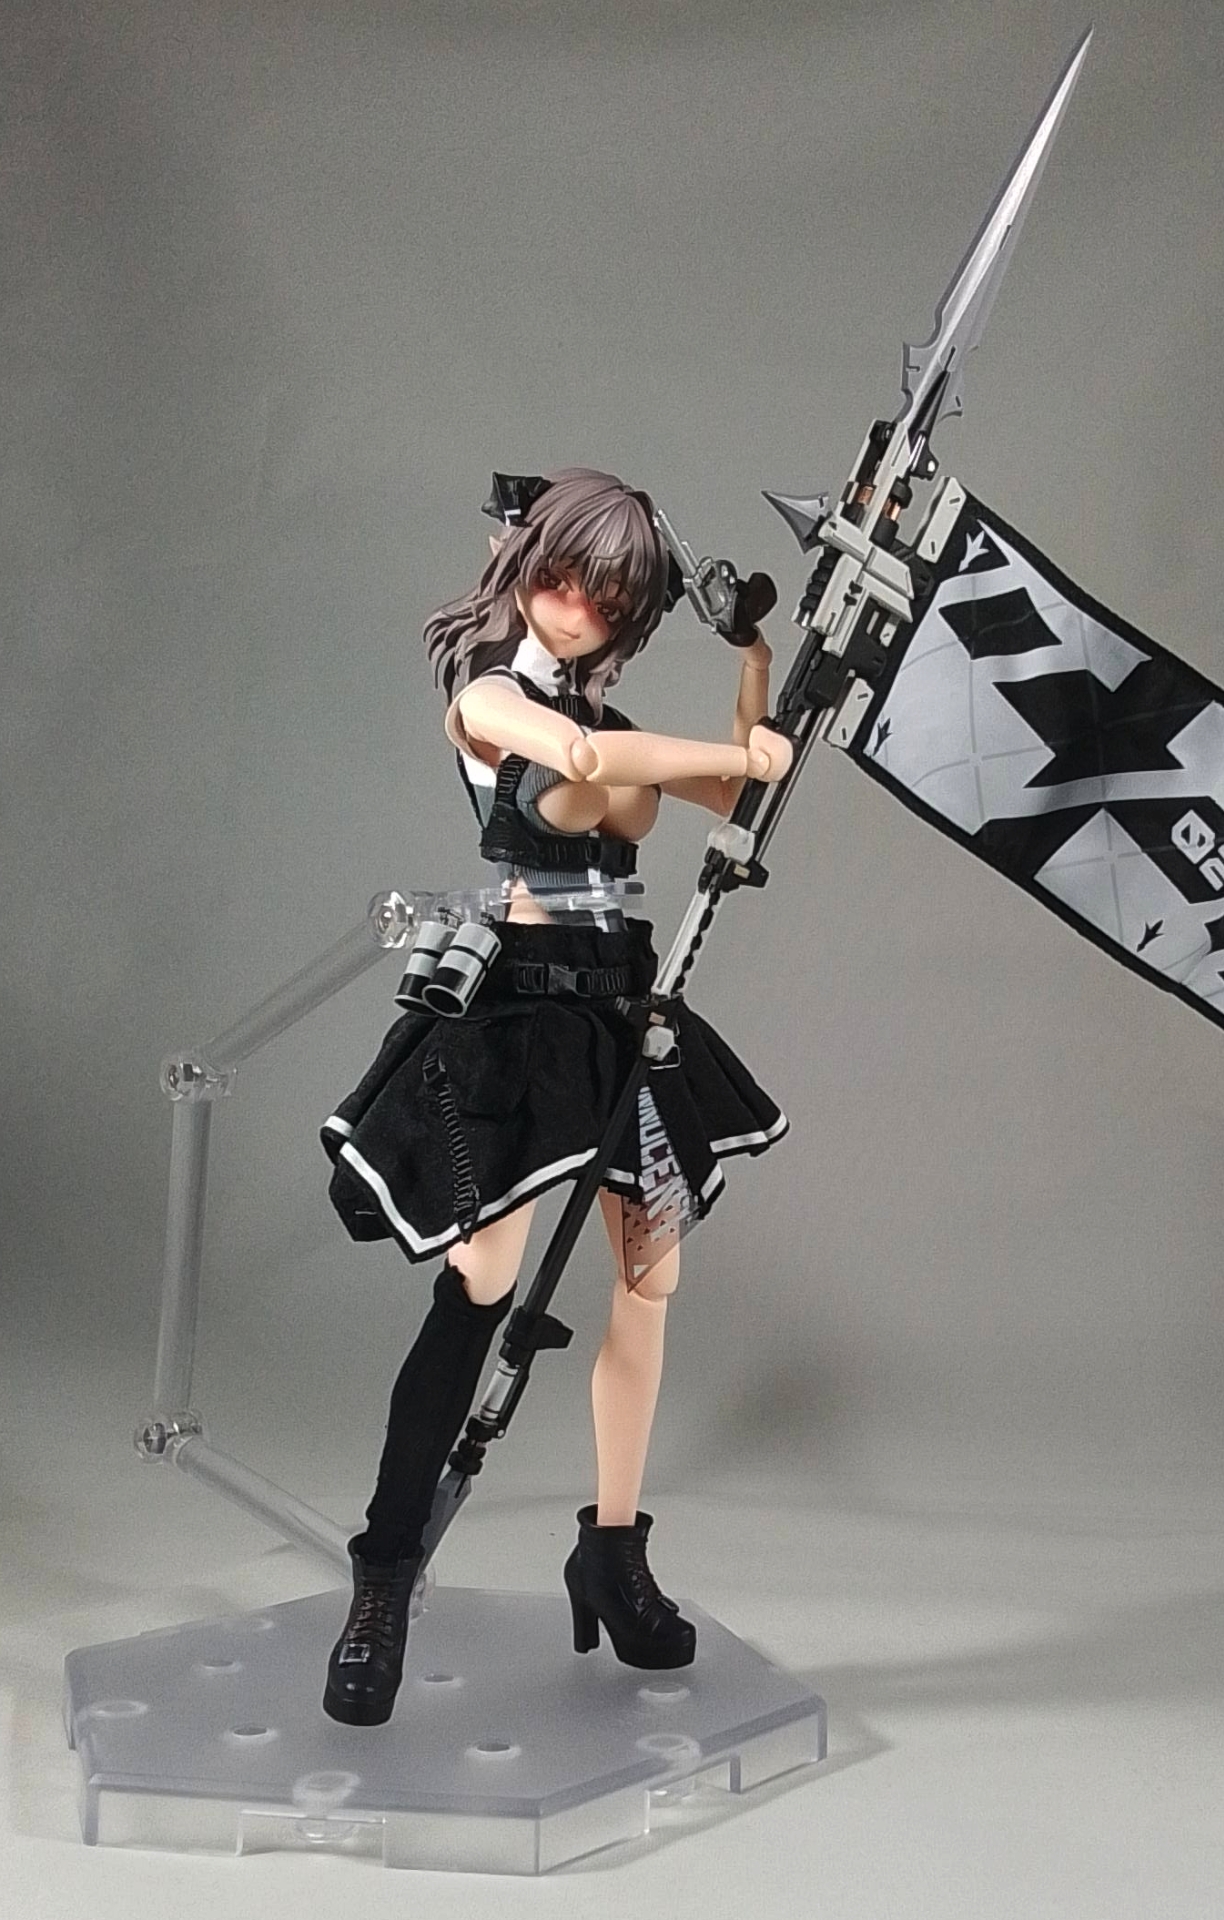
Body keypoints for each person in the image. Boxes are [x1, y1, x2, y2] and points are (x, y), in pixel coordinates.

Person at [319, 468, 792, 1726]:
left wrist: (755, 664)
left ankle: (614, 1551)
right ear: (524, 564)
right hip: (519, 1016)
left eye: (610, 596)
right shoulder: (487, 696)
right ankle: (384, 1573)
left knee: (651, 1279)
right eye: (563, 577)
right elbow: (587, 760)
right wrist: (732, 746)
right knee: (480, 1286)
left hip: (623, 1006)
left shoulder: (612, 711)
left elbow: (740, 795)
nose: (578, 607)